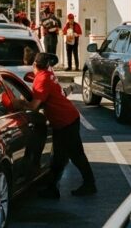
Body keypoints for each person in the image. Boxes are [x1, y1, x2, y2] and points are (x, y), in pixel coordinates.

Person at [14, 52, 95, 198]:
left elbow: (34, 106)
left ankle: (90, 184)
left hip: (66, 122)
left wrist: (19, 103)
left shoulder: (42, 79)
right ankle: (52, 188)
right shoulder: (47, 74)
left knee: (76, 155)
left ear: (34, 65)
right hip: (65, 120)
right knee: (58, 157)